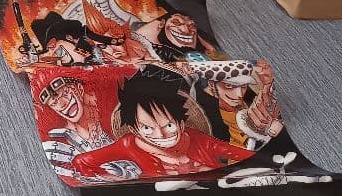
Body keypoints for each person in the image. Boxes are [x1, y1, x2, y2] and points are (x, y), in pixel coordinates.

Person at [72, 65, 254, 181]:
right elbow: (81, 162)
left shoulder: (197, 139)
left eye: (168, 125)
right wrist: (116, 182)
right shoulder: (129, 144)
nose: (160, 135)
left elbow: (245, 155)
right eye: (147, 128)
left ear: (181, 122)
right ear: (135, 128)